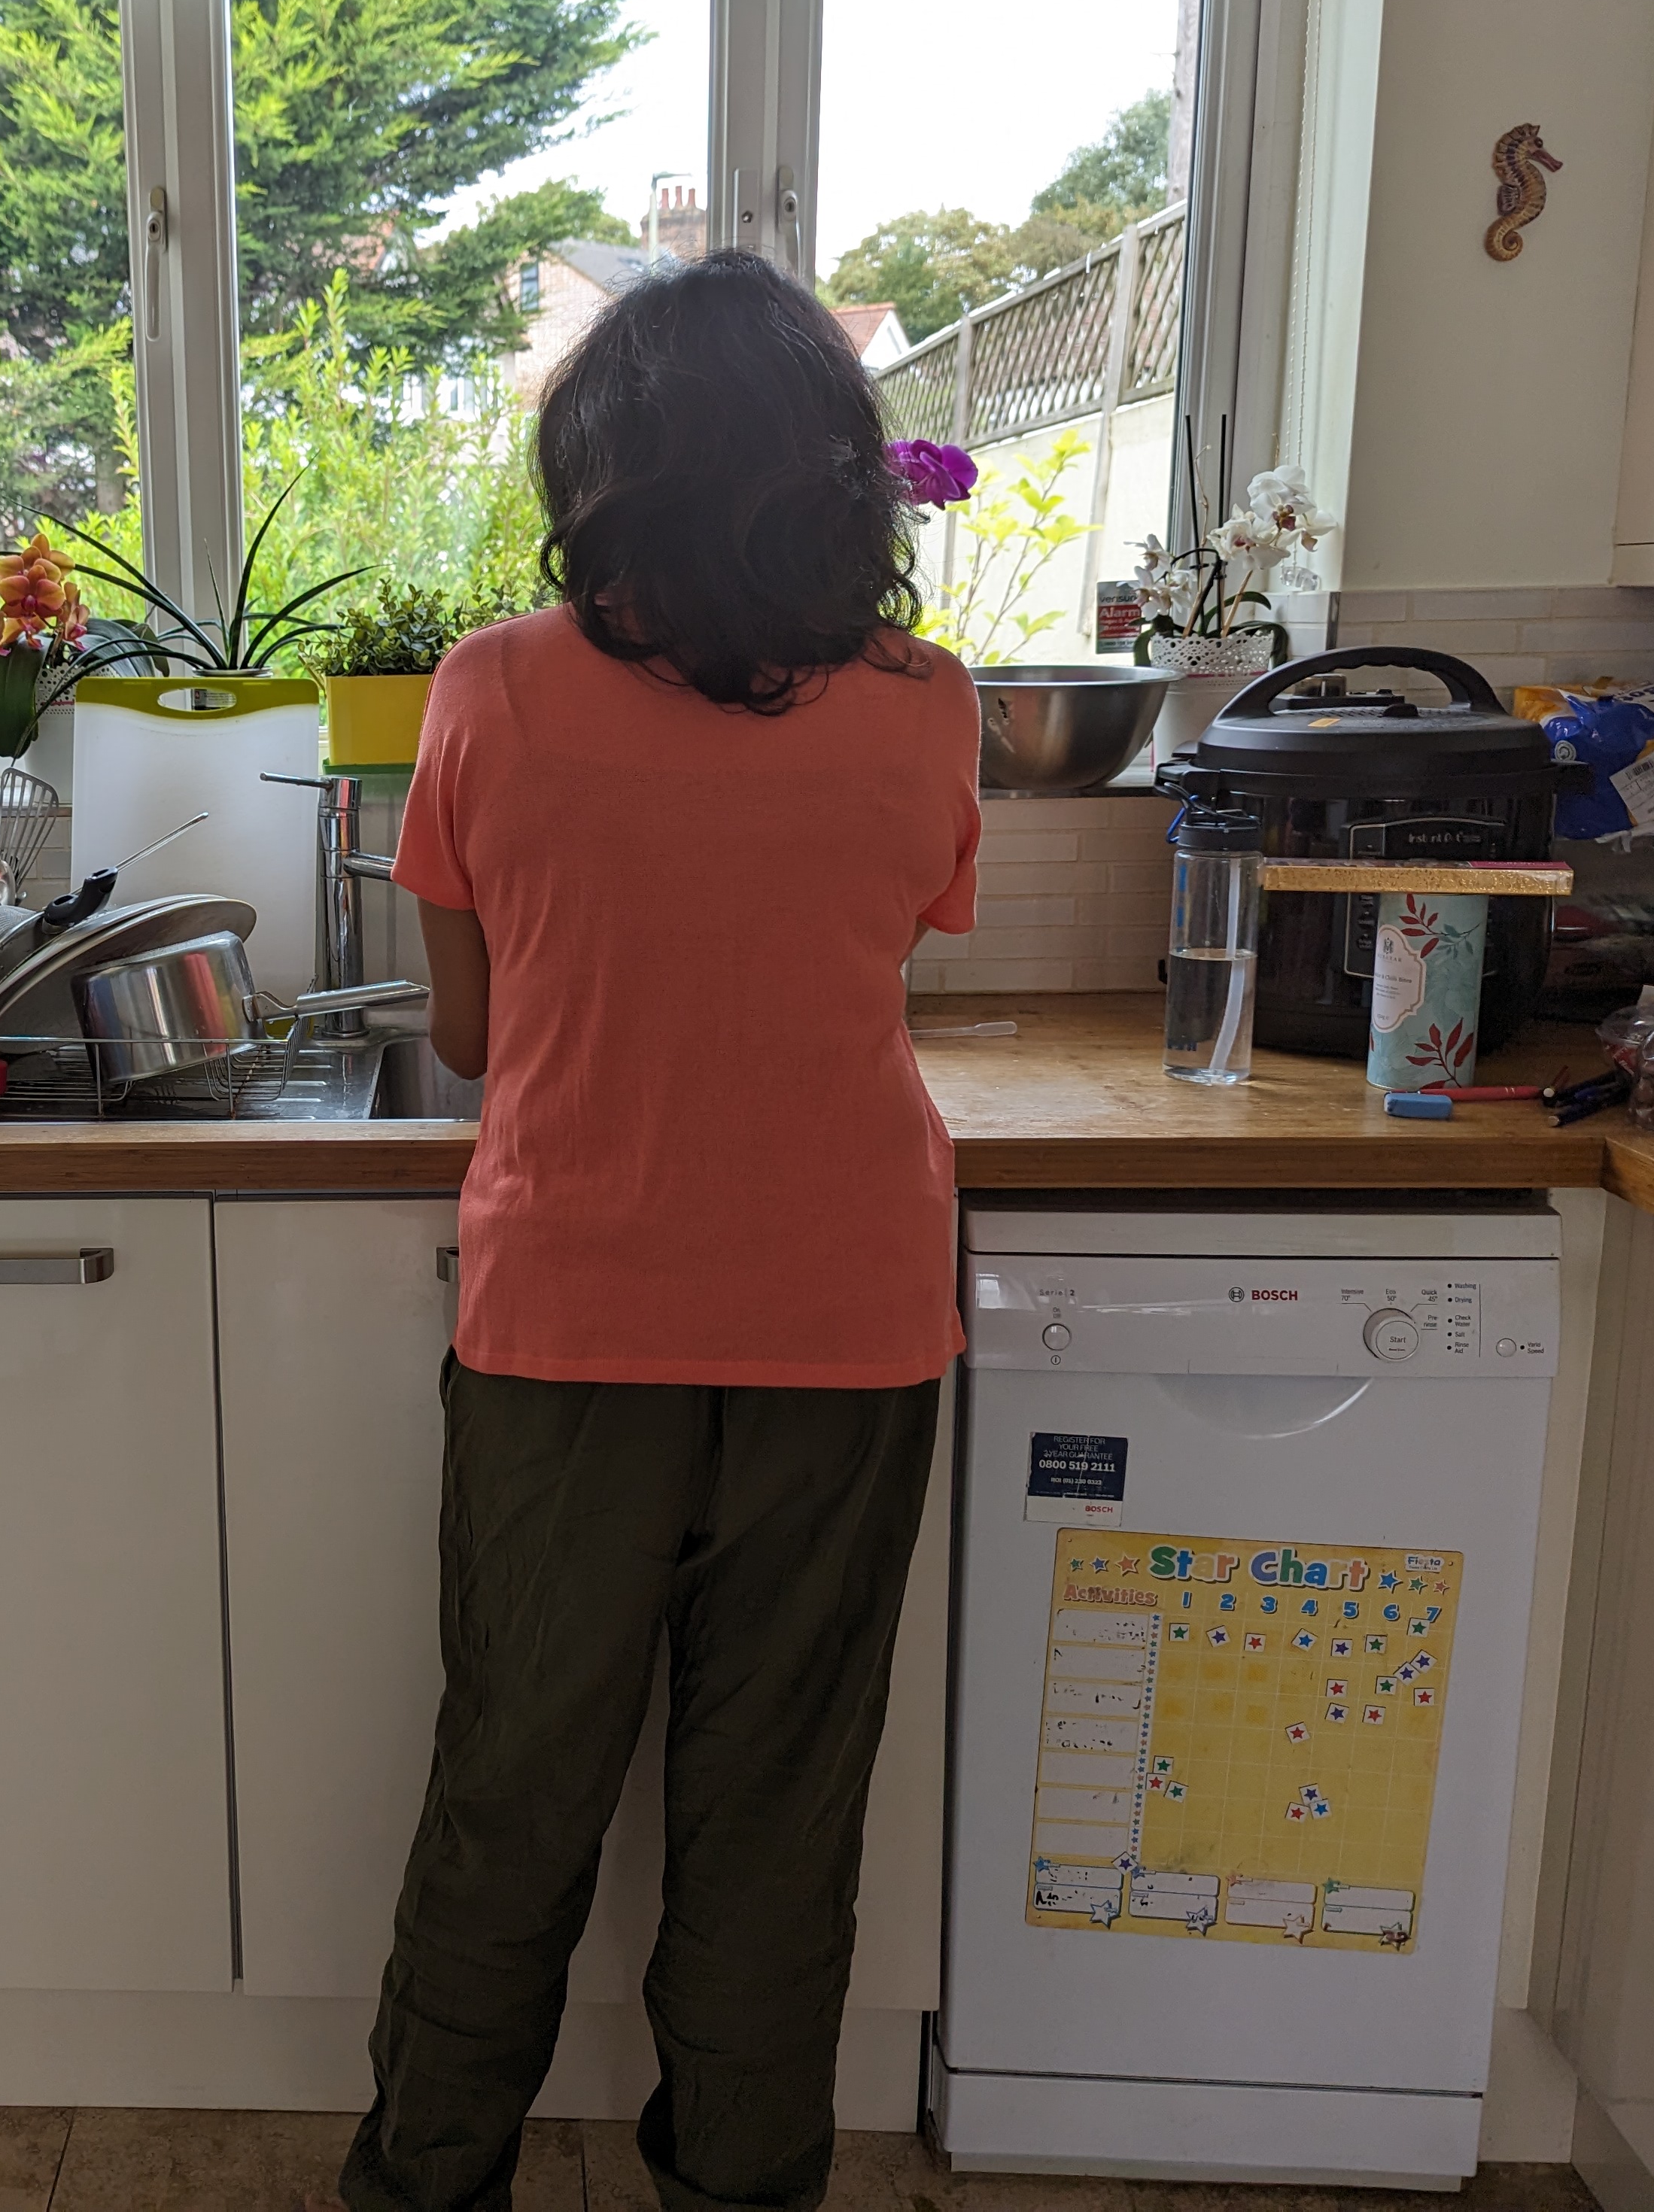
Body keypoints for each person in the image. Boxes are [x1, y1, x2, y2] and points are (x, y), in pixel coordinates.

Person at [318, 249, 981, 2212]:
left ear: (601, 472)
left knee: (514, 1791)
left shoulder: (487, 691)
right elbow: (874, 972)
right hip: (852, 1322)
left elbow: (472, 1032)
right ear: (836, 482)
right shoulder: (929, 709)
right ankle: (744, 2180)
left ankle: (427, 2181)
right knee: (778, 1811)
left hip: (570, 1319)